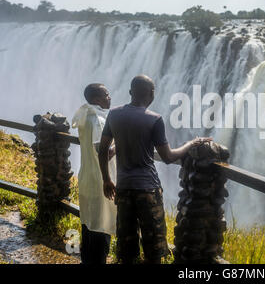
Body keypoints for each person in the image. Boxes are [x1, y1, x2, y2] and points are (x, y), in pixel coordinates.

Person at [98, 74, 211, 264]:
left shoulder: (114, 114)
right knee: (154, 248)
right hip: (148, 190)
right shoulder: (155, 119)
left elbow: (103, 150)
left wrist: (106, 180)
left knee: (127, 247)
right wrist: (191, 143)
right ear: (152, 94)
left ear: (130, 92)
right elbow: (168, 157)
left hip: (123, 189)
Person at [72, 83, 117, 264]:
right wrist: (122, 140)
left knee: (89, 225)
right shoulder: (98, 120)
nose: (110, 97)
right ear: (97, 99)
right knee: (101, 226)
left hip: (87, 177)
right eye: (106, 95)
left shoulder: (84, 115)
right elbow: (103, 151)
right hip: (100, 180)